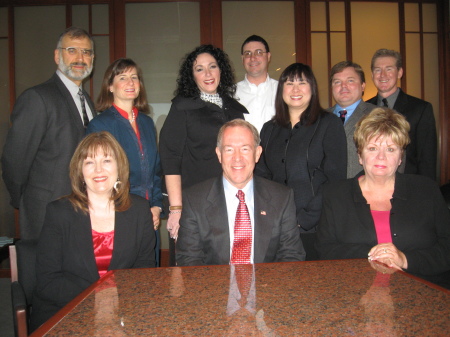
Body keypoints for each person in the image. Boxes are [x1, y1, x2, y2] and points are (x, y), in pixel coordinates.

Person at [30, 132, 156, 331]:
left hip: (123, 312)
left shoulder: (139, 210)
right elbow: (48, 282)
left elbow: (144, 271)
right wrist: (100, 297)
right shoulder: (59, 212)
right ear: (80, 171)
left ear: (119, 167)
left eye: (106, 160)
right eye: (89, 162)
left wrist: (115, 306)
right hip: (66, 312)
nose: (98, 169)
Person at [316, 108, 450, 289]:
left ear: (400, 157)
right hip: (354, 293)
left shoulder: (426, 190)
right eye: (372, 148)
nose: (381, 156)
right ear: (360, 156)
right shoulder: (335, 193)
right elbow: (325, 250)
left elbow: (446, 247)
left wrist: (404, 259)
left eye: (390, 149)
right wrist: (374, 255)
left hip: (423, 292)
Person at [2, 27, 96, 240]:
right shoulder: (37, 97)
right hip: (45, 211)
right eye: (72, 50)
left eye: (86, 52)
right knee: (45, 271)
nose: (80, 58)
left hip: (83, 210)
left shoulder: (88, 101)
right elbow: (14, 161)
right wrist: (26, 200)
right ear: (57, 55)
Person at [176, 119, 305, 266]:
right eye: (229, 149)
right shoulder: (194, 199)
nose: (237, 158)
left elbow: (292, 255)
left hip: (268, 285)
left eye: (245, 149)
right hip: (215, 286)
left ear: (257, 154)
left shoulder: (281, 197)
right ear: (219, 154)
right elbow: (189, 260)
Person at [255, 63, 347, 260]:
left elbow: (335, 180)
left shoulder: (329, 124)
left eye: (302, 83)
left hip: (314, 226)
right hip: (275, 225)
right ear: (281, 90)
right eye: (289, 84)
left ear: (312, 88)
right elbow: (261, 175)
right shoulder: (269, 129)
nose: (295, 89)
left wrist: (304, 219)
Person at [159, 44, 248, 245]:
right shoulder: (183, 107)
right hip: (194, 201)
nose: (207, 73)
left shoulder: (234, 108)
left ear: (221, 70)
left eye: (212, 66)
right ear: (192, 75)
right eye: (199, 69)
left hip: (231, 200)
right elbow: (170, 157)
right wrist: (176, 208)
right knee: (193, 268)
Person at [86, 58, 163, 265]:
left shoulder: (146, 122)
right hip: (120, 212)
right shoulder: (100, 125)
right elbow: (98, 178)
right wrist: (137, 210)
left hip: (149, 215)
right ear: (110, 86)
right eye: (122, 78)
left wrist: (156, 207)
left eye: (134, 78)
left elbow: (155, 171)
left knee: (148, 275)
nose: (130, 83)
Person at [366, 49, 437, 180]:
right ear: (372, 74)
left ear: (399, 72)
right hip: (371, 185)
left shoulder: (421, 109)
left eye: (389, 69)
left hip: (408, 185)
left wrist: (426, 192)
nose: (382, 75)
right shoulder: (364, 109)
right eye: (377, 70)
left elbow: (427, 158)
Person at [328, 61, 377, 179]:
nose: (343, 86)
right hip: (327, 192)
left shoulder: (379, 116)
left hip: (365, 192)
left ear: (363, 85)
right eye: (337, 82)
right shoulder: (318, 118)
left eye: (350, 80)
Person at [235, 35, 278, 132]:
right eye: (247, 54)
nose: (253, 58)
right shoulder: (231, 93)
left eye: (259, 53)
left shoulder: (282, 90)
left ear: (268, 56)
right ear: (242, 59)